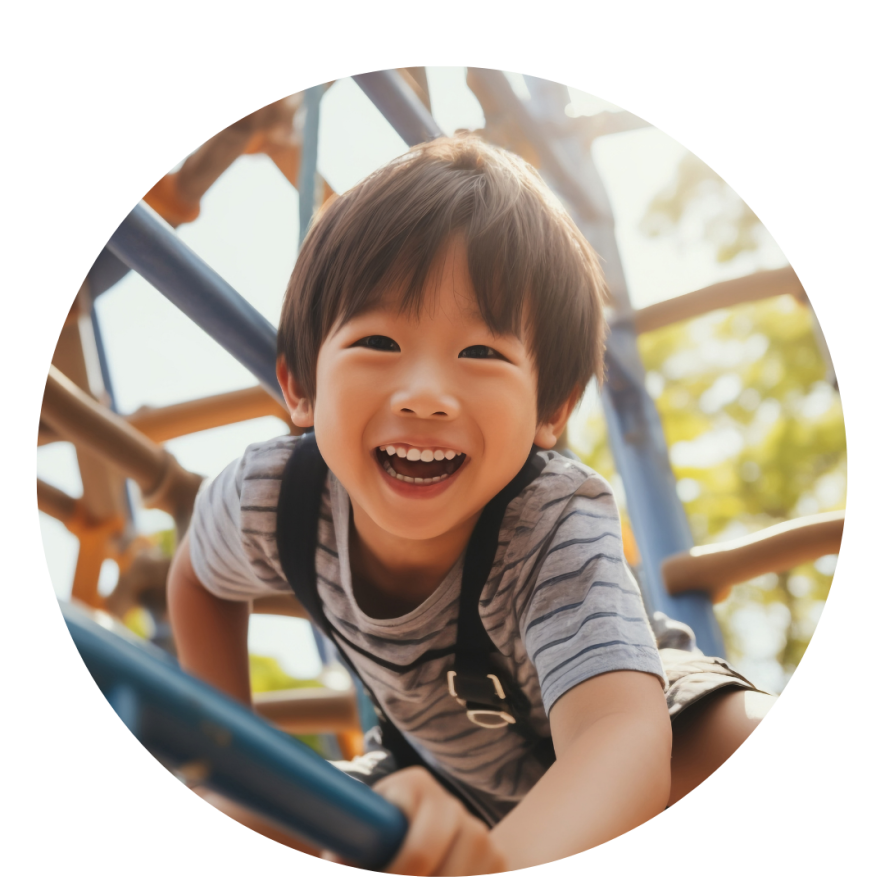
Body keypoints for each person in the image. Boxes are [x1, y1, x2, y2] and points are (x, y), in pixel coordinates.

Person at [168, 136, 775, 873]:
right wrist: (233, 757)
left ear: (550, 407)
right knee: (262, 809)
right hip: (441, 767)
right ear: (300, 385)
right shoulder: (271, 498)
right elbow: (199, 578)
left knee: (740, 732)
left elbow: (618, 735)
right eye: (378, 340)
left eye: (481, 353)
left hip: (639, 728)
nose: (425, 392)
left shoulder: (552, 519)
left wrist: (494, 862)